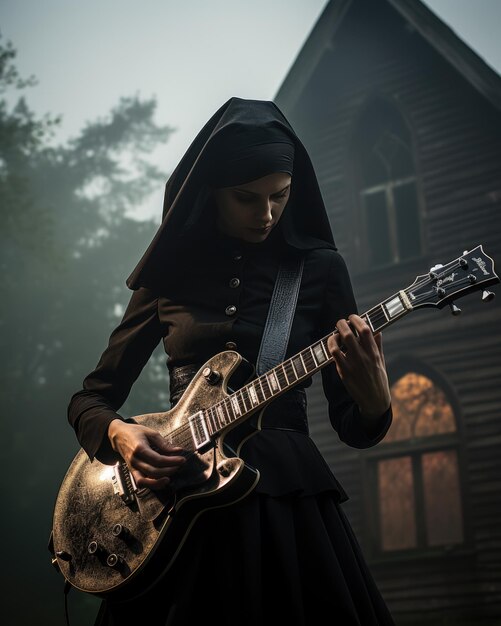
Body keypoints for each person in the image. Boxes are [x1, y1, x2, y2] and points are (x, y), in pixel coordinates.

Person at [67, 96, 395, 625]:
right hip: (175, 509)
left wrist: (375, 399)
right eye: (246, 198)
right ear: (212, 191)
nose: (265, 214)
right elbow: (90, 398)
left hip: (285, 509)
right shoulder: (167, 276)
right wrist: (121, 436)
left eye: (280, 196)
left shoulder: (319, 269)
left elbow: (354, 427)